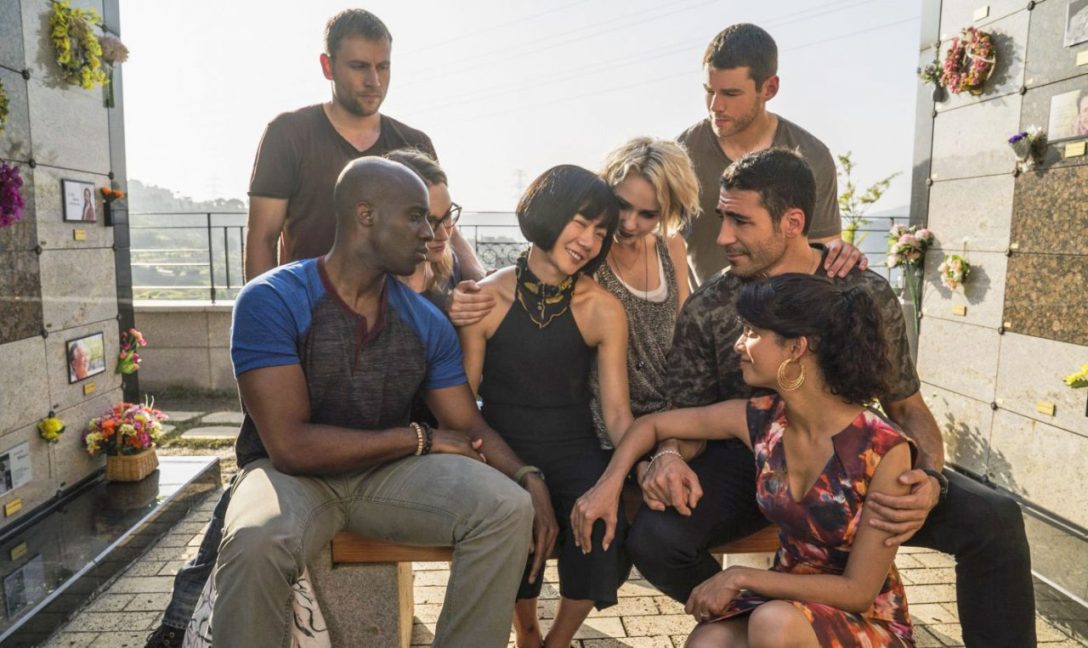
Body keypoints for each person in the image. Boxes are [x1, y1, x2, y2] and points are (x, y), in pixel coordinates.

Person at [631, 148, 1035, 647]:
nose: (723, 237)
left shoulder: (862, 291)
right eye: (723, 218)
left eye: (741, 221)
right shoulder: (709, 305)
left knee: (994, 519)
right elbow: (684, 414)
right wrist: (669, 456)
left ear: (792, 223)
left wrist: (929, 478)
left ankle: (810, 625)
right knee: (656, 538)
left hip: (853, 465)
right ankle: (762, 624)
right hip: (751, 462)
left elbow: (906, 407)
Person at [208, 157, 554, 648]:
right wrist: (420, 439)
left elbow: (467, 424)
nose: (430, 233)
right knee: (256, 539)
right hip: (287, 477)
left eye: (431, 220)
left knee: (506, 508)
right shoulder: (272, 299)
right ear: (365, 215)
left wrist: (527, 477)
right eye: (415, 217)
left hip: (385, 476)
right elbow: (290, 446)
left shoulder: (424, 321)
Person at [574, 273, 916, 646]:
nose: (738, 344)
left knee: (773, 623)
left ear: (796, 347)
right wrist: (609, 485)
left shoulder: (882, 448)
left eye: (751, 332)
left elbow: (859, 591)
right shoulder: (762, 418)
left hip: (863, 619)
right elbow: (652, 426)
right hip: (784, 600)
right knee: (707, 642)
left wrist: (739, 577)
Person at [457, 165, 631, 648]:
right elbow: (464, 403)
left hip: (576, 446)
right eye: (581, 222)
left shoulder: (604, 309)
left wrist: (628, 470)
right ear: (549, 213)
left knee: (601, 525)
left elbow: (617, 414)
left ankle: (557, 640)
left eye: (601, 232)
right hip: (501, 446)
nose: (589, 241)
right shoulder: (486, 299)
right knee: (512, 521)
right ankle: (527, 631)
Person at [244, 8, 483, 281]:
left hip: (399, 302)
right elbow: (263, 237)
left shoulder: (414, 142)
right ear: (328, 66)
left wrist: (480, 277)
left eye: (383, 67)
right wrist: (263, 305)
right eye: (359, 66)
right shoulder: (288, 135)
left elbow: (442, 224)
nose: (374, 81)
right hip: (309, 301)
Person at [678, 23, 861, 285]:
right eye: (709, 91)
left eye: (731, 93)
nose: (715, 106)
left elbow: (823, 255)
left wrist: (841, 254)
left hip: (785, 307)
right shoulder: (682, 156)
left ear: (769, 89)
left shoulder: (812, 156)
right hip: (704, 307)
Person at [385, 148, 481, 311]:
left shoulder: (452, 268)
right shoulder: (367, 288)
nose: (443, 235)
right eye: (429, 221)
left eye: (447, 216)